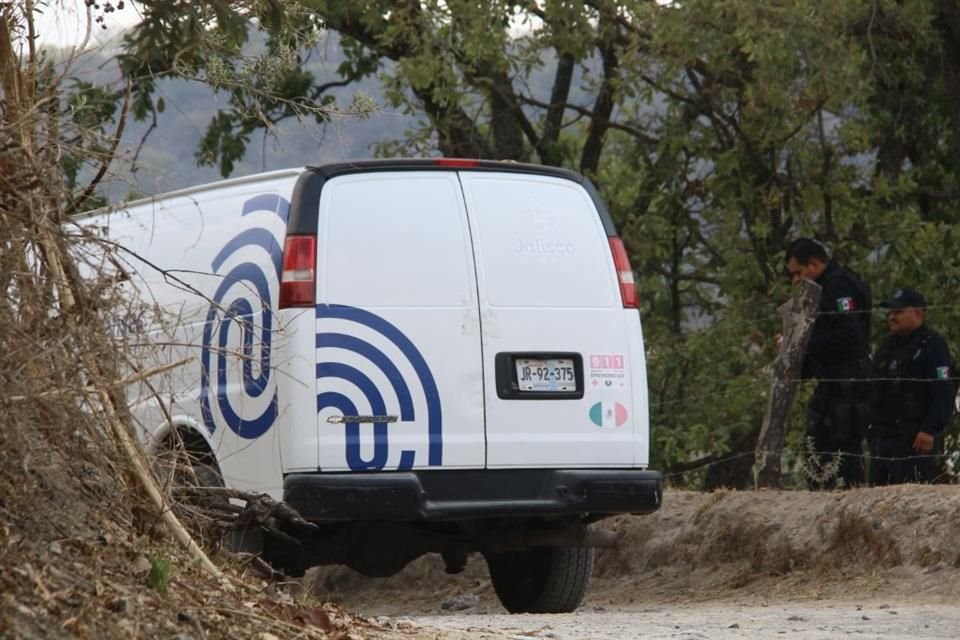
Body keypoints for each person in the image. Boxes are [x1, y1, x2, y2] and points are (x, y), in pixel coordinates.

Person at [785, 238, 872, 489]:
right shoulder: (828, 286)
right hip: (833, 382)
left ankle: (849, 502)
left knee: (844, 448)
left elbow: (849, 336)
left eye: (798, 273)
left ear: (813, 264)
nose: (796, 281)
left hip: (848, 382)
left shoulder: (838, 287)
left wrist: (802, 342)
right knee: (817, 444)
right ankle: (822, 497)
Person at [868, 288, 954, 485]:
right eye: (890, 313)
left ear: (917, 313)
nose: (891, 317)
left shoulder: (932, 345)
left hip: (914, 440)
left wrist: (930, 429)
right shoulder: (887, 346)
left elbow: (944, 391)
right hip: (883, 439)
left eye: (898, 312)